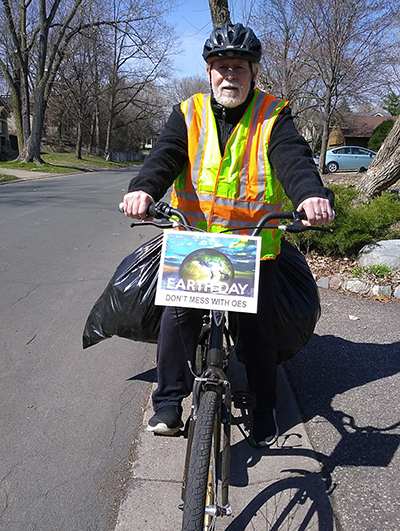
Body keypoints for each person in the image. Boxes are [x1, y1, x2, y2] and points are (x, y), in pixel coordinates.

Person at [123, 23, 334, 446]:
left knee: (257, 330)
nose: (229, 75)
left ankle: (264, 407)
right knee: (176, 317)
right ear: (209, 72)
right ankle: (167, 403)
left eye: (239, 66)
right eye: (221, 67)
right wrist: (143, 189)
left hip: (254, 247)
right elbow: (165, 155)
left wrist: (311, 194)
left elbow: (292, 158)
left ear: (253, 72)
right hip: (196, 242)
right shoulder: (188, 113)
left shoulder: (274, 114)